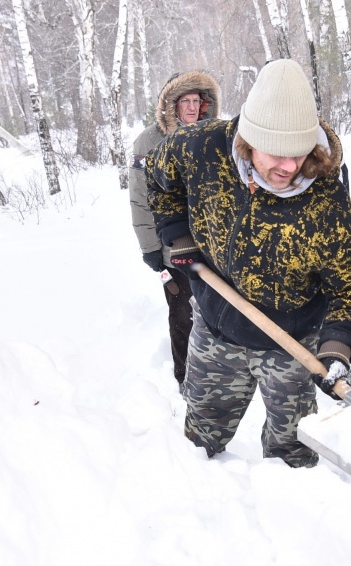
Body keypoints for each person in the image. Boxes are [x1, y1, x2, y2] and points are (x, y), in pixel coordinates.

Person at [146, 59, 351, 468]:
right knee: (196, 444)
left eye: (299, 153)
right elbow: (159, 177)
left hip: (292, 344)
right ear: (247, 140)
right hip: (217, 329)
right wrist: (177, 235)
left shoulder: (324, 199)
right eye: (276, 153)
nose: (289, 168)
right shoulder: (199, 148)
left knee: (293, 455)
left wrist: (337, 348)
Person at [129, 71, 222, 388]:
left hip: (213, 246)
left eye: (198, 101)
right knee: (183, 314)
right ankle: (185, 375)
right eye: (186, 101)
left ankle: (221, 371)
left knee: (218, 310)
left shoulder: (212, 136)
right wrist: (150, 247)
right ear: (171, 104)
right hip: (173, 247)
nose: (193, 107)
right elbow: (140, 199)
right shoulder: (149, 142)